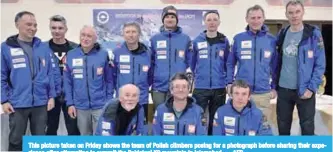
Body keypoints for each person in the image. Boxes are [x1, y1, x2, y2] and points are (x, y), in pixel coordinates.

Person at [1, 11, 55, 151]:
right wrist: (4, 100)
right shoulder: (6, 47)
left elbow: (50, 73)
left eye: (35, 25)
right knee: (16, 139)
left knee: (39, 140)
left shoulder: (43, 47)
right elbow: (1, 76)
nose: (33, 28)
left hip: (40, 102)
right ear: (17, 25)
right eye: (28, 24)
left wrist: (51, 96)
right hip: (18, 102)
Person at [275, 0, 326, 135]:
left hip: (305, 90)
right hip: (284, 89)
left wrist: (311, 87)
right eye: (290, 12)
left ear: (303, 12)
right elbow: (276, 62)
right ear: (286, 14)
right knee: (283, 127)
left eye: (297, 12)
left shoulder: (313, 34)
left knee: (307, 128)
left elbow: (320, 64)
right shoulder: (282, 33)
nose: (294, 15)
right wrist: (274, 85)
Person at [226, 5, 278, 129]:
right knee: (240, 127)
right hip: (241, 93)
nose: (256, 21)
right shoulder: (238, 39)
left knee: (261, 128)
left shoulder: (271, 40)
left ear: (264, 18)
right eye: (252, 18)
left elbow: (275, 66)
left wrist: (274, 87)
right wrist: (229, 82)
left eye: (259, 17)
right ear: (247, 19)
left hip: (263, 93)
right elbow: (230, 63)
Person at [63, 25, 114, 135]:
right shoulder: (71, 55)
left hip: (100, 105)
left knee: (100, 136)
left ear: (95, 39)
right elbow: (67, 82)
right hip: (80, 106)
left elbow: (109, 80)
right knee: (85, 136)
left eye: (89, 36)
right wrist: (70, 104)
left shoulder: (103, 54)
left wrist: (108, 101)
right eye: (83, 35)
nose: (85, 38)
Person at [191, 10, 230, 135]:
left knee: (216, 119)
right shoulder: (197, 41)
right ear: (204, 22)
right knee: (199, 118)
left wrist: (227, 81)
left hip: (219, 87)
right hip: (201, 87)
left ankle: (214, 143)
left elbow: (228, 63)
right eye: (209, 20)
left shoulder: (224, 41)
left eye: (214, 20)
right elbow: (192, 63)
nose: (212, 22)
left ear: (219, 22)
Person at [40, 15, 80, 135]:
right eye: (53, 28)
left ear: (66, 29)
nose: (57, 31)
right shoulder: (42, 48)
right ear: (50, 29)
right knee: (50, 129)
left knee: (73, 130)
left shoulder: (75, 48)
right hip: (50, 96)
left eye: (60, 28)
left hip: (70, 95)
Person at [150, 5, 192, 109]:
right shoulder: (155, 39)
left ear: (177, 20)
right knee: (160, 115)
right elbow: (151, 61)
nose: (170, 19)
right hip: (159, 86)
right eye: (167, 16)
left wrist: (180, 71)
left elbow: (190, 61)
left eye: (173, 17)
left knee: (177, 116)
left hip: (178, 86)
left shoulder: (185, 39)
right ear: (163, 19)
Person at [112, 22, 151, 121]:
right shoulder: (116, 52)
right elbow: (113, 75)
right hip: (123, 100)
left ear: (139, 34)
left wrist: (143, 86)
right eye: (127, 32)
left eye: (134, 32)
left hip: (141, 99)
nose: (131, 35)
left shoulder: (148, 53)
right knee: (122, 131)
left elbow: (151, 75)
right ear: (123, 35)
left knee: (141, 131)